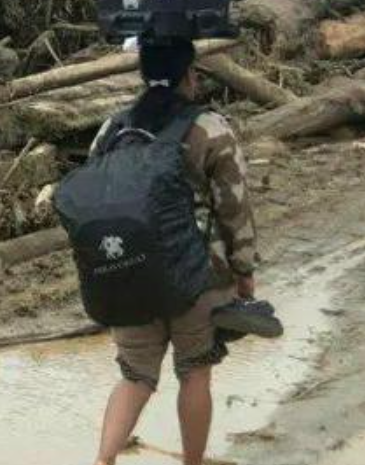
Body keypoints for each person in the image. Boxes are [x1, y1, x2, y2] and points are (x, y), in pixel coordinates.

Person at [89, 39, 260, 465]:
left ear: (143, 75)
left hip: (127, 272)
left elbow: (95, 195)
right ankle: (192, 463)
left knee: (135, 376)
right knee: (194, 371)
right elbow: (234, 207)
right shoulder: (209, 128)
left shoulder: (113, 129)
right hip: (196, 275)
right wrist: (244, 272)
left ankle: (103, 461)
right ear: (191, 75)